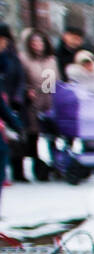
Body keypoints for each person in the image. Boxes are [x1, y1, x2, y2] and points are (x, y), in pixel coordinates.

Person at [17, 29, 56, 181]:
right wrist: (28, 91)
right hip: (31, 103)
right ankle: (32, 168)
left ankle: (53, 166)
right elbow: (21, 79)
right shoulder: (24, 59)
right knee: (31, 137)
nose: (37, 45)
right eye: (34, 42)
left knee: (50, 136)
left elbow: (54, 81)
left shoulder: (51, 60)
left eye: (40, 42)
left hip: (48, 102)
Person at [0, 25, 25, 183]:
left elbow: (21, 78)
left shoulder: (10, 59)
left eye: (4, 41)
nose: (3, 45)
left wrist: (18, 96)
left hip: (12, 99)